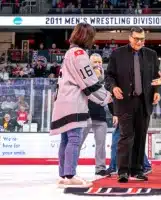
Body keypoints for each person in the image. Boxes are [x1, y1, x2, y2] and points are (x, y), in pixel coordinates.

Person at [50, 23, 111, 187]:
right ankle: (70, 175)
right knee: (74, 139)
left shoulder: (69, 53)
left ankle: (64, 175)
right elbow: (89, 80)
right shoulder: (79, 53)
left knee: (65, 139)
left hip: (62, 100)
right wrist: (106, 96)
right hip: (73, 101)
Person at [105, 26, 160, 183]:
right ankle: (122, 171)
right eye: (137, 39)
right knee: (126, 136)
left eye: (142, 39)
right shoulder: (117, 54)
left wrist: (156, 91)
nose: (140, 42)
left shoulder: (151, 54)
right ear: (129, 38)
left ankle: (137, 170)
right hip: (124, 102)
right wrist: (113, 87)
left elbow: (156, 76)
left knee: (141, 136)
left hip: (144, 102)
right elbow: (109, 76)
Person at [78, 53, 110, 179]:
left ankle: (101, 168)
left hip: (100, 116)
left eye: (99, 61)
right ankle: (71, 167)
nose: (98, 64)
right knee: (78, 143)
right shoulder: (84, 76)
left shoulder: (107, 76)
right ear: (89, 63)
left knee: (101, 145)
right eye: (95, 61)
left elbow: (109, 94)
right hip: (85, 115)